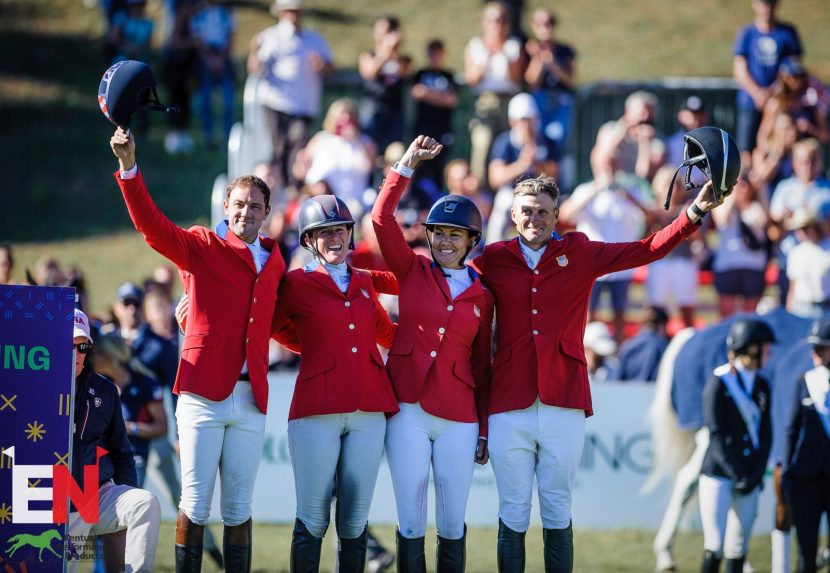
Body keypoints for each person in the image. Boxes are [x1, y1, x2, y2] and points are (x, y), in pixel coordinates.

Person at [470, 167, 730, 570]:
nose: (534, 219)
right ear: (513, 215)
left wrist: (694, 211)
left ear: (557, 216)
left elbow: (649, 249)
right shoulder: (492, 260)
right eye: (526, 211)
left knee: (557, 508)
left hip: (564, 397)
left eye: (542, 211)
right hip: (508, 400)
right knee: (513, 510)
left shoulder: (581, 251)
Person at [110, 126, 286, 572]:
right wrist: (129, 168)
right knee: (194, 501)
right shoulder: (203, 245)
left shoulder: (276, 259)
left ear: (267, 213)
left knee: (240, 508)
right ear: (226, 207)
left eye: (256, 206)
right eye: (240, 204)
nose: (247, 211)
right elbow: (152, 227)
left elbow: (276, 321)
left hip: (251, 397)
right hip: (202, 394)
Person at [372, 136, 493, 572]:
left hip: (459, 415)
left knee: (452, 521)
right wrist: (405, 164)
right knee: (409, 519)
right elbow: (381, 218)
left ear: (470, 240)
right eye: (438, 232)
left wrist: (482, 428)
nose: (444, 241)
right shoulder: (412, 269)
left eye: (454, 234)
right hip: (407, 406)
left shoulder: (482, 293)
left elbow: (482, 364)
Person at [270, 195, 399, 572]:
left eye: (340, 230)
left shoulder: (362, 282)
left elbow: (386, 333)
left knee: (355, 518)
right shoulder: (295, 283)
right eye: (323, 232)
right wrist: (316, 349)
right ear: (309, 240)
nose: (334, 238)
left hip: (369, 412)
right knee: (313, 516)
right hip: (316, 412)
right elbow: (274, 327)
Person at [67, 308, 161, 573]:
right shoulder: (33, 386)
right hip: (49, 499)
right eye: (69, 345)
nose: (76, 353)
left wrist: (123, 512)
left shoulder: (106, 390)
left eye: (82, 346)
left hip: (96, 492)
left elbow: (121, 451)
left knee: (145, 502)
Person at [698, 319, 774, 573]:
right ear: (750, 348)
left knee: (738, 546)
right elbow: (716, 433)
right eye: (765, 347)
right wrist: (737, 473)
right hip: (719, 472)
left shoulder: (762, 386)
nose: (769, 353)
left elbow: (766, 434)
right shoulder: (719, 382)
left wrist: (755, 473)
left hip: (749, 474)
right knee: (715, 544)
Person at [248, 0, 334, 194]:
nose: (292, 16)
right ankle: (275, 188)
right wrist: (254, 52)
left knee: (297, 144)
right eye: (288, 11)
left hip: (303, 104)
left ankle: (292, 189)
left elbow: (331, 68)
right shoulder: (269, 37)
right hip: (276, 102)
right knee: (278, 147)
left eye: (296, 11)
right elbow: (255, 68)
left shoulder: (314, 39)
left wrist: (322, 66)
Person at [90, 332, 168, 487]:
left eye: (96, 354)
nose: (90, 359)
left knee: (130, 508)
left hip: (133, 458)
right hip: (100, 458)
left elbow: (162, 427)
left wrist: (129, 428)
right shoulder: (98, 385)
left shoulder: (145, 383)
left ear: (111, 356)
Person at [783, 317, 830, 573]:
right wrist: (787, 471)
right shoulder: (804, 381)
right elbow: (790, 430)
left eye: (822, 347)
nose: (815, 353)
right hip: (806, 478)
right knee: (806, 553)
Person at [733, 0, 802, 166]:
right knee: (746, 151)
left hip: (779, 103)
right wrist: (757, 93)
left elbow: (793, 71)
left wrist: (774, 93)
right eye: (763, 3)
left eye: (770, 3)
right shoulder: (747, 33)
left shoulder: (787, 33)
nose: (767, 8)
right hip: (750, 102)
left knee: (778, 146)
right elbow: (739, 69)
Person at [464, 1, 524, 181]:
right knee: (482, 145)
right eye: (492, 20)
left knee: (507, 145)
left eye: (501, 20)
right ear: (484, 22)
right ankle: (480, 189)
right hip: (485, 101)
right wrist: (488, 57)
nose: (496, 25)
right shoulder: (475, 45)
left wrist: (504, 54)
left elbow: (516, 78)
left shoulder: (514, 46)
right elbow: (472, 79)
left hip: (508, 100)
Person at [295, 98, 376, 214]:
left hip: (357, 201)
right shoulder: (321, 139)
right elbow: (301, 170)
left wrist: (357, 139)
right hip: (322, 200)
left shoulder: (365, 142)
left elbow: (371, 167)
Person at [410, 38, 458, 206]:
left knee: (440, 165)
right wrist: (440, 96)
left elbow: (452, 100)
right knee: (420, 166)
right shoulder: (420, 73)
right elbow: (416, 92)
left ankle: (437, 200)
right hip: (423, 128)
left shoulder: (448, 75)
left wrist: (428, 94)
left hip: (442, 129)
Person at [524, 8, 575, 155]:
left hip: (560, 99)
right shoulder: (529, 49)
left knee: (556, 139)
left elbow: (570, 80)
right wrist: (538, 58)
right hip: (539, 99)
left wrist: (551, 62)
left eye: (548, 23)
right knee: (537, 139)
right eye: (540, 24)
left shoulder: (565, 50)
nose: (545, 28)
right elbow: (531, 81)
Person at [358, 15, 411, 152]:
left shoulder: (402, 59)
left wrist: (394, 50)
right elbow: (369, 71)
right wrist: (385, 49)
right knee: (370, 149)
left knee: (394, 151)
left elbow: (404, 71)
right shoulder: (368, 54)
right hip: (373, 109)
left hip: (395, 110)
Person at [190, 0, 236, 148]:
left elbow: (230, 37)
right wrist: (208, 59)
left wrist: (221, 59)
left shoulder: (226, 13)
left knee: (228, 102)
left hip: (223, 60)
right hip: (205, 60)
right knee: (205, 102)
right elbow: (197, 40)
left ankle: (226, 139)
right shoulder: (198, 14)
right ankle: (208, 138)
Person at [612, 306, 670, 382]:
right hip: (651, 391)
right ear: (661, 326)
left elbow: (617, 377)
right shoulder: (663, 346)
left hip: (627, 391)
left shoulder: (628, 344)